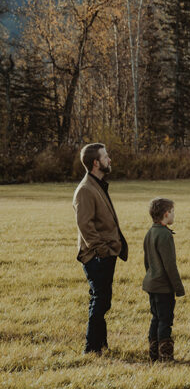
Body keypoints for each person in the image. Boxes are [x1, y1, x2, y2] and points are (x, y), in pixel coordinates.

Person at [73, 142, 128, 355]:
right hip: (96, 256)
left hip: (105, 254)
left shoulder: (98, 185)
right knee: (100, 300)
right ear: (96, 163)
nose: (109, 160)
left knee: (102, 300)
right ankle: (91, 348)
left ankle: (100, 344)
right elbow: (85, 226)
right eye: (106, 157)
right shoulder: (85, 190)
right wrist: (102, 251)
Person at [142, 197, 185, 362]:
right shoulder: (165, 235)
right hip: (163, 287)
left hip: (151, 284)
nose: (174, 215)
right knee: (165, 320)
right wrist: (178, 288)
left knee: (156, 317)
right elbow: (170, 266)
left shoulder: (150, 232)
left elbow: (147, 262)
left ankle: (153, 354)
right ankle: (165, 356)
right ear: (166, 214)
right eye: (173, 212)